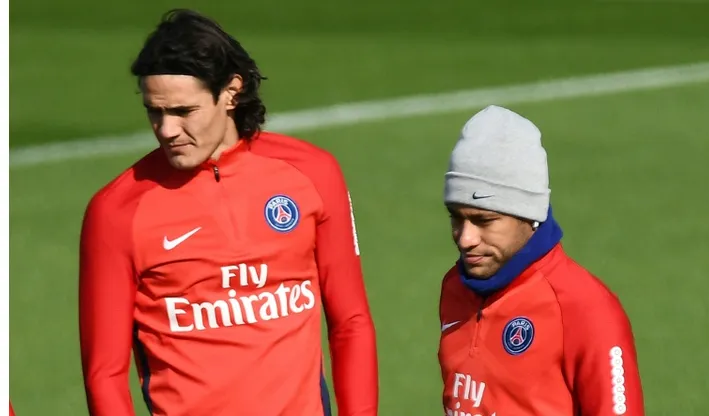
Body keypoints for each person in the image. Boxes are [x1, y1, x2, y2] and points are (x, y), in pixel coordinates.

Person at [78, 9, 378, 416]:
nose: (166, 130)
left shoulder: (313, 173)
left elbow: (351, 322)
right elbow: (105, 374)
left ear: (231, 92)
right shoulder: (116, 211)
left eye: (183, 111)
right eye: (154, 111)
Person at [437, 105, 645, 416]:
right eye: (456, 217)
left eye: (484, 220)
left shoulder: (585, 310)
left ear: (529, 214)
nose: (465, 238)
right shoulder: (456, 287)